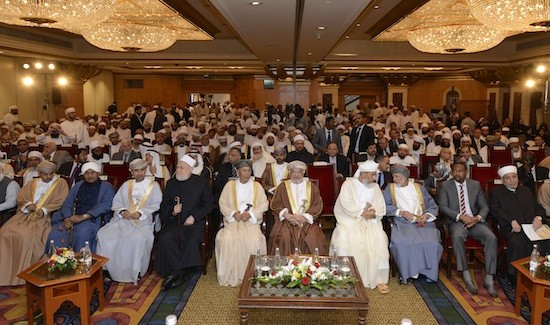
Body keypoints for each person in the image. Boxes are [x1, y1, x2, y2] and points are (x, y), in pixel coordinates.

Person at [0, 161, 69, 286]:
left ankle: (25, 273)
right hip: (25, 215)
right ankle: (6, 273)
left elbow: (61, 200)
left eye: (50, 174)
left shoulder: (60, 183)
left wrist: (44, 209)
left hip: (45, 216)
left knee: (24, 236)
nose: (48, 177)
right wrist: (27, 204)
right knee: (5, 231)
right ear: (39, 173)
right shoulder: (32, 183)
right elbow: (21, 197)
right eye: (45, 174)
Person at [96, 159, 163, 285]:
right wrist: (122, 211)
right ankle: (109, 270)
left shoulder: (153, 186)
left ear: (145, 170)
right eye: (136, 170)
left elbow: (157, 204)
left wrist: (141, 213)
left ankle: (133, 271)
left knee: (136, 238)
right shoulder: (127, 185)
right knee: (104, 234)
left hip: (143, 221)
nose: (139, 173)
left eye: (142, 170)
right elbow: (116, 202)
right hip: (124, 220)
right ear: (131, 172)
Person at [438, 162, 498, 297]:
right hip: (457, 221)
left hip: (475, 221)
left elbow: (484, 207)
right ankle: (466, 275)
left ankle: (489, 278)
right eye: (455, 171)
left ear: (466, 172)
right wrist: (460, 217)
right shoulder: (445, 186)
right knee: (457, 236)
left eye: (460, 171)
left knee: (491, 237)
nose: (457, 173)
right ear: (452, 172)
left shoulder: (475, 185)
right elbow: (442, 206)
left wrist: (477, 218)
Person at [156, 155, 214, 291]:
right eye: (177, 167)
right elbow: (164, 205)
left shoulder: (201, 182)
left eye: (181, 168)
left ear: (190, 170)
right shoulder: (171, 183)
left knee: (192, 238)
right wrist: (172, 210)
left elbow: (209, 204)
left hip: (195, 222)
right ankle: (181, 272)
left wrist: (194, 216)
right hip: (175, 221)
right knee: (164, 237)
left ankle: (175, 272)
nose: (178, 170)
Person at [330, 161, 389, 293]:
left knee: (380, 238)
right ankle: (345, 278)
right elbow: (345, 203)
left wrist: (373, 214)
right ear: (363, 174)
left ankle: (379, 279)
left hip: (371, 222)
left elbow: (380, 205)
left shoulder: (375, 187)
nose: (375, 178)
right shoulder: (348, 184)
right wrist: (361, 213)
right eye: (373, 175)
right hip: (349, 220)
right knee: (344, 239)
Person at [383, 164, 442, 284]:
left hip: (423, 222)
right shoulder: (390, 189)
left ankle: (427, 273)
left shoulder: (419, 188)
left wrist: (426, 215)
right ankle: (409, 273)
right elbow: (385, 206)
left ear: (405, 177)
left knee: (433, 243)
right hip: (402, 222)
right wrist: (401, 212)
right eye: (393, 176)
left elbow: (432, 205)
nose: (394, 179)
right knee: (403, 243)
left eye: (397, 176)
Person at [489, 165, 548, 282]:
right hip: (513, 229)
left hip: (533, 228)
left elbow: (539, 208)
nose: (512, 180)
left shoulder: (526, 190)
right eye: (508, 178)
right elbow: (495, 209)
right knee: (517, 241)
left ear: (517, 178)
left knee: (546, 239)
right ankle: (515, 275)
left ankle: (544, 272)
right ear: (502, 180)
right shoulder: (496, 192)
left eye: (514, 177)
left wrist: (538, 217)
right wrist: (511, 221)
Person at [216, 159, 269, 286]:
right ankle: (232, 275)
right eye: (244, 171)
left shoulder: (257, 186)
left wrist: (250, 214)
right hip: (233, 222)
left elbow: (264, 204)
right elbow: (222, 203)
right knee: (225, 240)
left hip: (251, 222)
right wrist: (234, 213)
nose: (246, 173)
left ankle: (251, 275)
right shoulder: (230, 186)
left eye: (249, 171)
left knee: (255, 240)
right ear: (238, 172)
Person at [47, 162, 115, 252]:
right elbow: (67, 203)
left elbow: (106, 205)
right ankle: (58, 262)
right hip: (73, 217)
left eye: (92, 172)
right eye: (87, 173)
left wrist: (84, 216)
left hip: (92, 218)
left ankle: (80, 262)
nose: (90, 175)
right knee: (55, 233)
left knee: (81, 233)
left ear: (98, 173)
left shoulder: (107, 187)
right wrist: (67, 218)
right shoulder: (78, 186)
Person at [269, 160, 326, 255]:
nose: (296, 175)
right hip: (287, 221)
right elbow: (275, 204)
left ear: (303, 172)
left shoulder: (311, 187)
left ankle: (311, 266)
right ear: (289, 173)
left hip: (307, 222)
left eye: (299, 172)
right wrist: (286, 215)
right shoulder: (282, 186)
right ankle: (284, 267)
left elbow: (318, 205)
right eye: (293, 172)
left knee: (313, 237)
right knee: (284, 236)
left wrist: (304, 217)